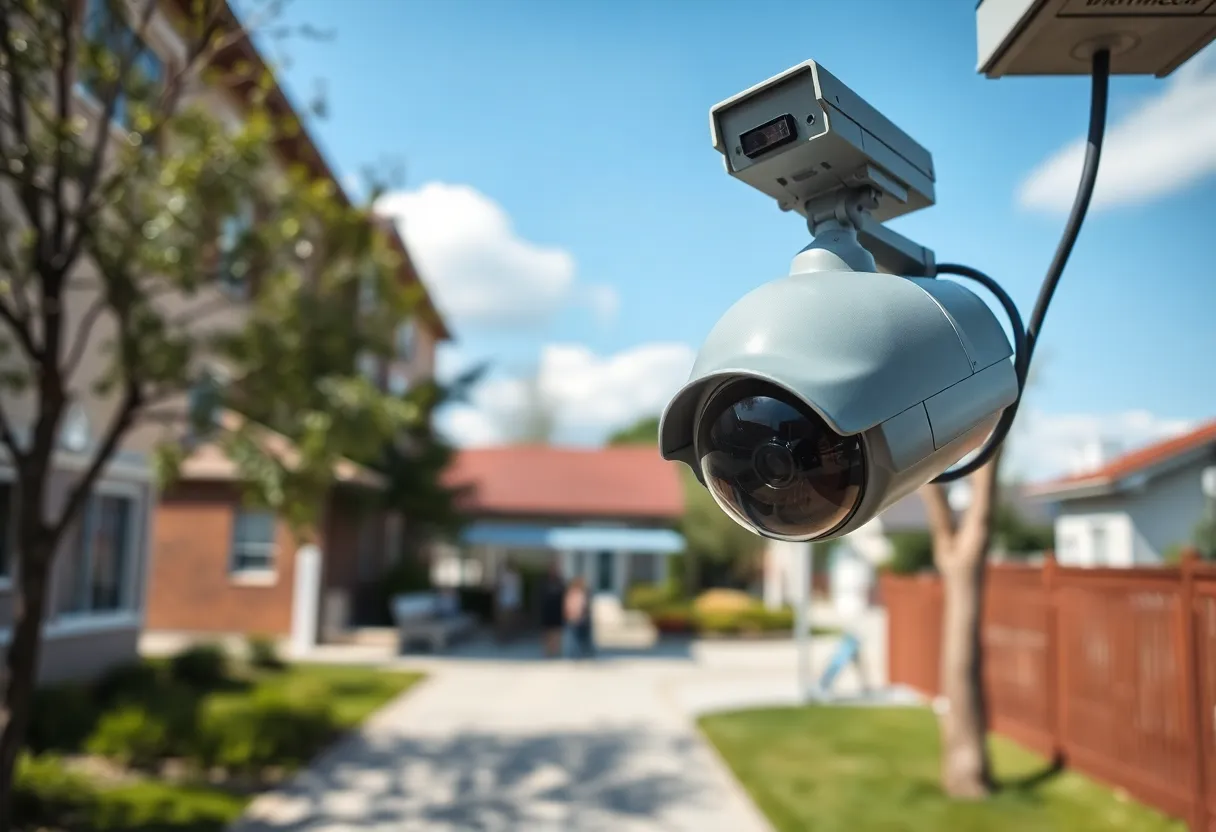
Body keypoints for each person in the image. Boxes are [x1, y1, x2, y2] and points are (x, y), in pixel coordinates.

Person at [539, 563, 566, 657]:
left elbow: (564, 598)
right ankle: (548, 651)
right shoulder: (545, 583)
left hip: (557, 612)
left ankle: (555, 651)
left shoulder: (560, 584)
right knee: (547, 633)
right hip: (547, 612)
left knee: (557, 632)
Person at [563, 576, 593, 659]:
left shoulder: (577, 593)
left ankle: (576, 654)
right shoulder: (575, 594)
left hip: (577, 618)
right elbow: (571, 606)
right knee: (573, 638)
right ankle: (574, 654)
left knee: (576, 638)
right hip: (574, 618)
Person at [494, 559, 522, 644]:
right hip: (506, 601)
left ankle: (507, 637)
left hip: (510, 601)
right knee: (505, 621)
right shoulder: (507, 576)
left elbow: (517, 590)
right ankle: (504, 637)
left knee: (509, 621)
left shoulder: (515, 576)